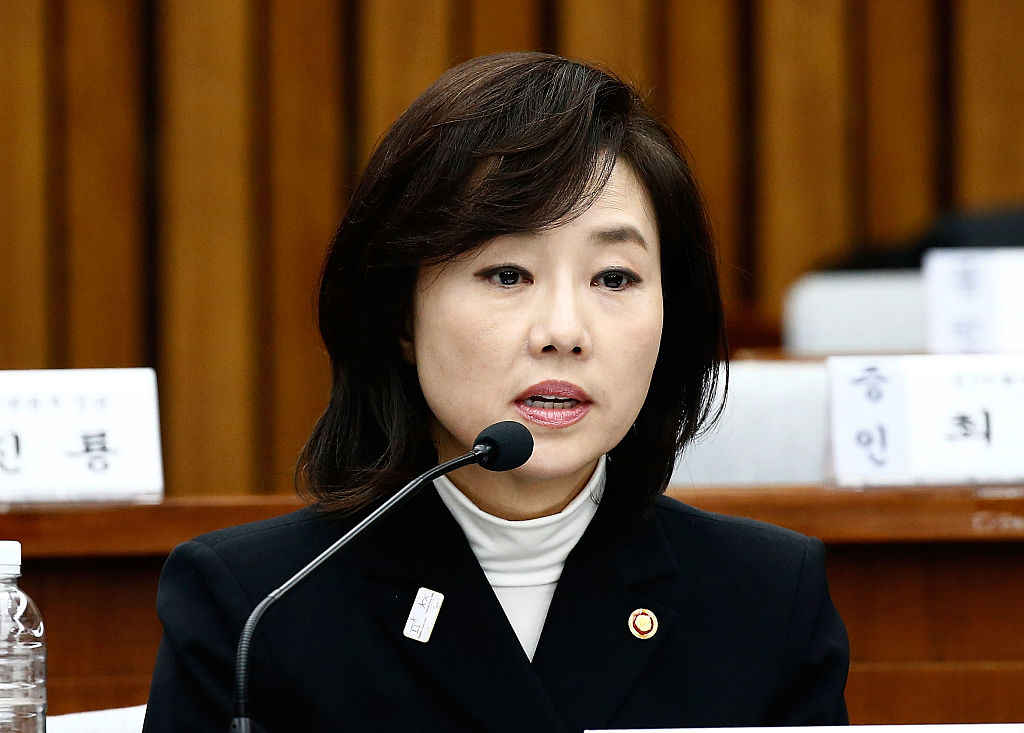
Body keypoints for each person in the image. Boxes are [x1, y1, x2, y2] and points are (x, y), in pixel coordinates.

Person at [143, 52, 848, 732]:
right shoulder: (257, 606)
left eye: (614, 277)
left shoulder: (767, 600)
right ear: (401, 316)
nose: (564, 332)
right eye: (507, 273)